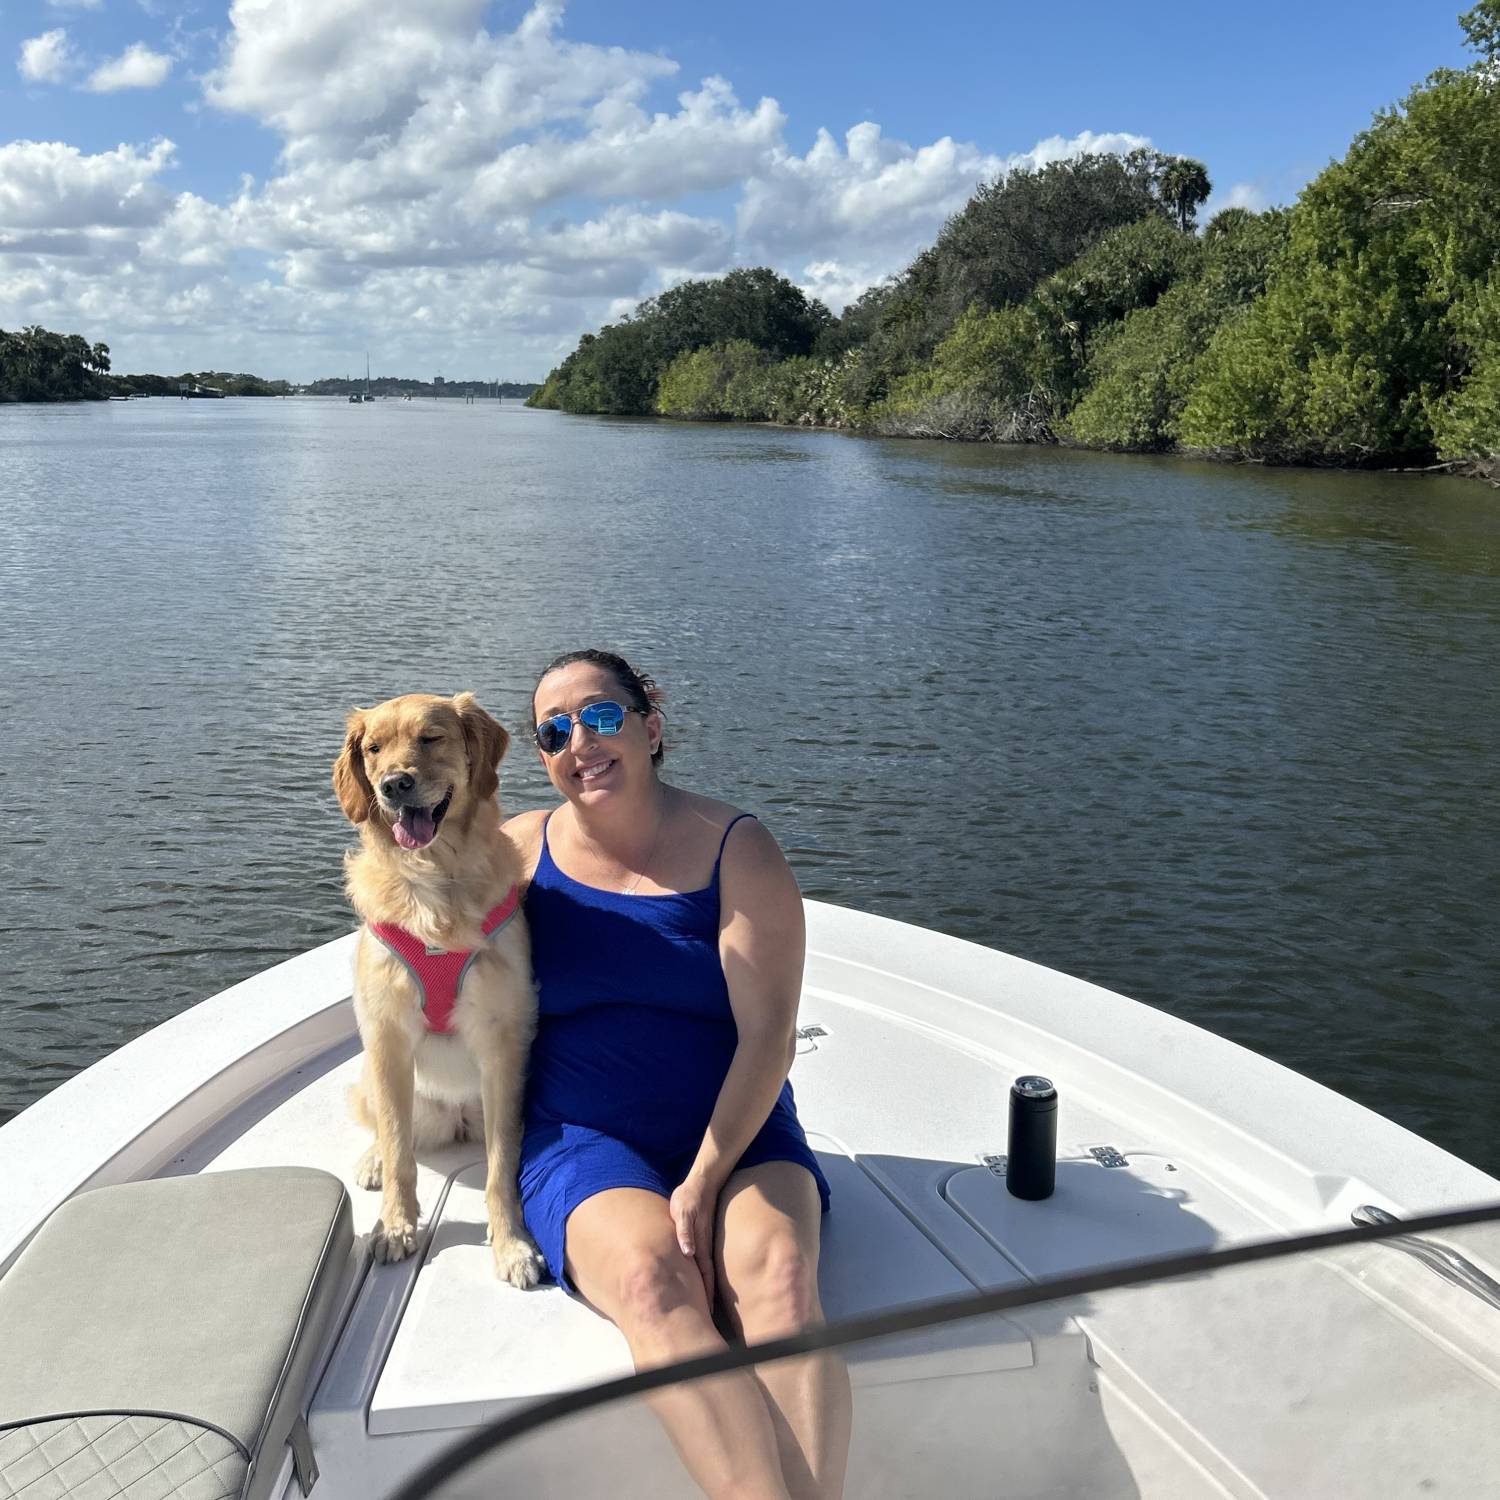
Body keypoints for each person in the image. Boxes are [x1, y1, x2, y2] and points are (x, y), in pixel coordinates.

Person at [504, 648, 851, 1500]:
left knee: (777, 1278)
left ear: (652, 728)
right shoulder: (514, 852)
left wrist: (701, 1179)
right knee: (649, 1278)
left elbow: (769, 1039)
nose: (579, 739)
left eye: (602, 715)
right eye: (555, 730)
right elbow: (430, 952)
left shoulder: (739, 849)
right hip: (582, 1137)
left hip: (741, 1127)